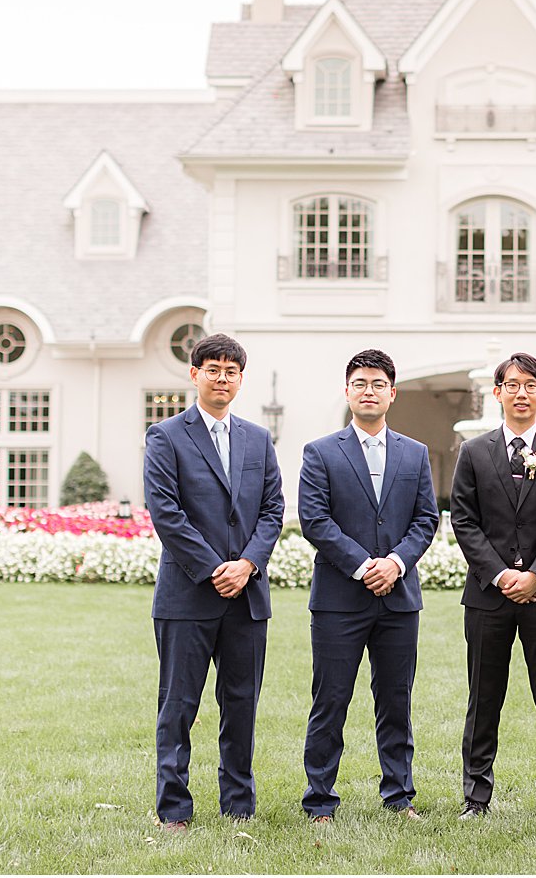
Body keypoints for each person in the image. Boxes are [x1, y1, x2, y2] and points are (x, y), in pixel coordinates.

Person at [143, 333, 284, 831]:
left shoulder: (258, 439)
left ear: (241, 379)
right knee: (178, 705)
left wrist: (246, 565)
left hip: (247, 596)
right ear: (194, 374)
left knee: (241, 703)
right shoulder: (165, 437)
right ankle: (174, 808)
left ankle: (238, 804)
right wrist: (212, 569)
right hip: (187, 594)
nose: (222, 378)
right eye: (213, 369)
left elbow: (272, 511)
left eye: (231, 371)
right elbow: (166, 511)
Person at [296, 349, 440, 823]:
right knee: (330, 699)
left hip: (399, 600)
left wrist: (396, 563)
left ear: (392, 393)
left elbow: (426, 519)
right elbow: (315, 520)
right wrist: (363, 566)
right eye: (360, 383)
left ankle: (399, 797)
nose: (369, 391)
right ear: (347, 392)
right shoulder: (320, 452)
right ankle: (320, 799)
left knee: (395, 700)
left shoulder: (415, 453)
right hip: (340, 599)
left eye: (378, 384)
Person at [449, 352, 536, 824]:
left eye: (531, 385)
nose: (521, 392)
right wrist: (501, 574)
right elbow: (462, 519)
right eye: (512, 384)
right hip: (488, 596)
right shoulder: (473, 452)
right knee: (483, 696)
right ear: (498, 393)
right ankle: (476, 797)